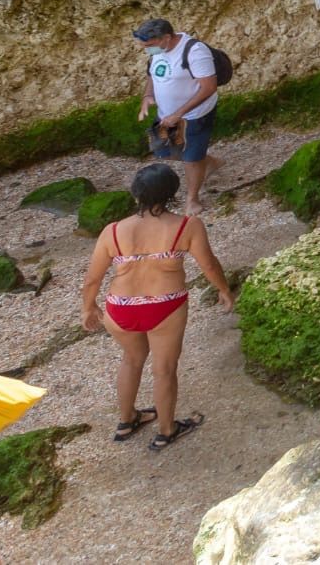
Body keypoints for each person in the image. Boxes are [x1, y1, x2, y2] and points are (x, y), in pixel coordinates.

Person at [78, 164, 235, 450]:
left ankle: (127, 421)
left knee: (131, 359)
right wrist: (224, 290)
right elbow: (209, 264)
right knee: (163, 370)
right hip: (166, 305)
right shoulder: (187, 226)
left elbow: (92, 279)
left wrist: (88, 308)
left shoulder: (112, 231)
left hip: (120, 307)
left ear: (135, 193)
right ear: (172, 192)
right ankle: (166, 429)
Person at [133, 19, 224, 216]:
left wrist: (179, 114)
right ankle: (208, 161)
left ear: (166, 37)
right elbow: (152, 73)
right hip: (167, 115)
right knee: (168, 151)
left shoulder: (195, 52)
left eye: (149, 45)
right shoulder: (160, 50)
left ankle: (192, 199)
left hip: (194, 115)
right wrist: (147, 96)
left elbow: (209, 87)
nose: (146, 49)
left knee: (191, 158)